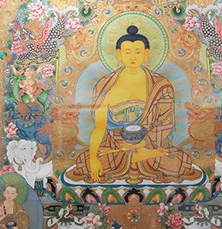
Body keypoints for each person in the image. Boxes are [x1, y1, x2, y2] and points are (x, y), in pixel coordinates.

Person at [69, 25, 201, 184]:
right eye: (127, 52)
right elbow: (99, 127)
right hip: (116, 144)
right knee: (84, 163)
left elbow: (165, 123)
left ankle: (141, 155)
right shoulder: (105, 85)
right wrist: (93, 158)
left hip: (150, 144)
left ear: (146, 54)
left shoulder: (160, 85)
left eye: (138, 52)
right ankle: (135, 157)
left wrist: (143, 144)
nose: (132, 57)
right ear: (119, 54)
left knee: (180, 162)